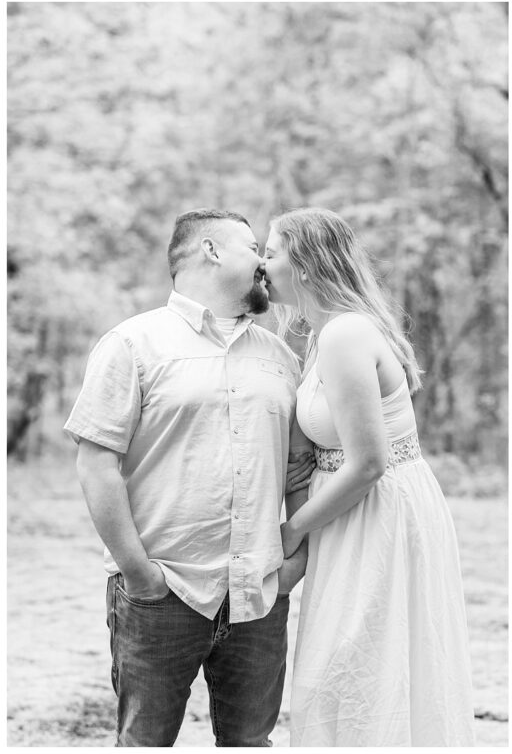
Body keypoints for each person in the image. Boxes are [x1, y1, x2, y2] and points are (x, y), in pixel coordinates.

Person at [65, 209, 313, 746]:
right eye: (254, 248)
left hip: (259, 594)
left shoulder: (279, 356)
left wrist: (294, 563)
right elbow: (95, 463)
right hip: (162, 591)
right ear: (210, 250)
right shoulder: (132, 344)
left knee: (250, 743)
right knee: (146, 743)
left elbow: (299, 467)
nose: (265, 263)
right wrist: (139, 574)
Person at [263, 207, 475, 746]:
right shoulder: (322, 335)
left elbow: (367, 463)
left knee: (361, 661)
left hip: (377, 511)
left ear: (305, 265)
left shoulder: (345, 336)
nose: (263, 266)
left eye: (271, 252)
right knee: (341, 666)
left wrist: (289, 536)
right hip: (346, 512)